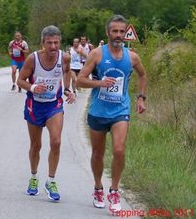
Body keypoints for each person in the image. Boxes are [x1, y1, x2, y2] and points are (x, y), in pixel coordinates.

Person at [77, 15, 147, 214]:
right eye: (114, 31)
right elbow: (79, 81)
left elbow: (143, 74)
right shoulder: (97, 54)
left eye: (121, 32)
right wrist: (99, 83)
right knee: (98, 154)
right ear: (108, 33)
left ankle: (114, 191)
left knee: (119, 150)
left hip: (120, 111)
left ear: (125, 34)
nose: (118, 35)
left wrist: (141, 97)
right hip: (98, 111)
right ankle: (98, 187)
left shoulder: (132, 57)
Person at [17, 25, 75, 201]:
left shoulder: (64, 58)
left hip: (53, 106)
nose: (53, 46)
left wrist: (67, 90)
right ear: (43, 43)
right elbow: (20, 80)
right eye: (49, 43)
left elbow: (66, 72)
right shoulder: (32, 59)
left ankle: (51, 181)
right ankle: (34, 178)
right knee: (36, 145)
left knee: (56, 142)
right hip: (35, 105)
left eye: (56, 42)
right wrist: (33, 87)